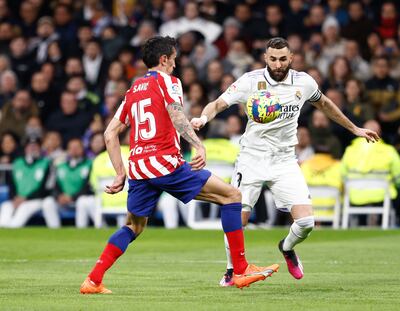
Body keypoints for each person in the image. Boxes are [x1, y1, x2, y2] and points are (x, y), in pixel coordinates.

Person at [80, 36, 278, 294]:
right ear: (164, 59)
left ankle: (93, 280)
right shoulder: (170, 82)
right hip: (165, 163)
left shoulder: (133, 90)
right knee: (232, 196)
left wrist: (121, 173)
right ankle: (240, 269)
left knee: (133, 226)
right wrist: (198, 144)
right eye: (173, 59)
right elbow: (176, 115)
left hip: (139, 168)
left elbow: (109, 134)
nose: (175, 64)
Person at [190, 37, 379, 286]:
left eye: (282, 59)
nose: (277, 64)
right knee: (238, 219)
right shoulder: (250, 81)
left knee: (306, 223)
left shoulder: (304, 82)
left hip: (285, 160)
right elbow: (218, 104)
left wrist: (354, 128)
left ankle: (287, 247)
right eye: (272, 59)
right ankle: (231, 269)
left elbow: (324, 103)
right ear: (265, 58)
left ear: (291, 58)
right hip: (252, 158)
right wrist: (203, 119)